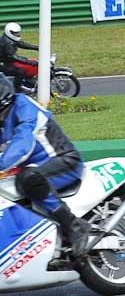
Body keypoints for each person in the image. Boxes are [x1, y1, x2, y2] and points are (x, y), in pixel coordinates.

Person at [0, 74, 91, 256]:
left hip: (63, 161)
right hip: (31, 166)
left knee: (28, 179)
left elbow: (23, 144)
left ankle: (74, 225)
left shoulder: (24, 107)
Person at [0, 22, 39, 91]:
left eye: (18, 33)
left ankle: (27, 81)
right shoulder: (7, 43)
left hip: (7, 60)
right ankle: (18, 89)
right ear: (9, 32)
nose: (17, 34)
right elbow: (14, 56)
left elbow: (22, 44)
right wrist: (29, 61)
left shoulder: (9, 38)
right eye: (15, 33)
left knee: (27, 65)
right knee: (20, 70)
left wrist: (36, 47)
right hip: (3, 64)